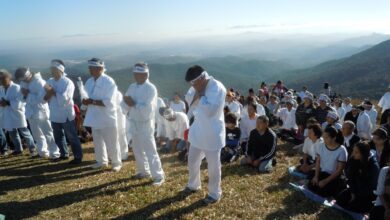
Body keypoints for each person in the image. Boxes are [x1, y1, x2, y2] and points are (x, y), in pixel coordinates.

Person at [182, 65, 226, 204]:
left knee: (213, 166)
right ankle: (193, 185)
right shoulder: (197, 87)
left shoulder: (216, 88)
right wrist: (198, 97)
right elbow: (189, 98)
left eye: (194, 83)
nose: (192, 86)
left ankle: (214, 193)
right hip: (198, 130)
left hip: (212, 133)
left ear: (202, 78)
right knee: (193, 160)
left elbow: (210, 111)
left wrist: (200, 98)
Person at [122, 62, 165, 185]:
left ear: (146, 75)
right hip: (134, 121)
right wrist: (125, 104)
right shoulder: (132, 86)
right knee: (137, 149)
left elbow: (148, 109)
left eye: (139, 74)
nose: (136, 77)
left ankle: (158, 175)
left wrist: (133, 104)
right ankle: (143, 171)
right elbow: (126, 101)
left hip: (146, 123)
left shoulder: (151, 88)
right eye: (135, 74)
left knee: (150, 149)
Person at [82, 58, 122, 171]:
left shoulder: (109, 81)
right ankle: (101, 161)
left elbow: (109, 102)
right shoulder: (89, 82)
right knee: (98, 141)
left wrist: (92, 101)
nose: (90, 70)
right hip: (94, 116)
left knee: (112, 142)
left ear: (100, 68)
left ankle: (116, 163)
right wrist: (84, 104)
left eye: (92, 68)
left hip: (107, 117)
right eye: (89, 68)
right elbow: (85, 96)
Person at [15, 67, 60, 159]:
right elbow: (20, 97)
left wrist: (28, 94)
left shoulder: (39, 82)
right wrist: (24, 95)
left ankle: (55, 153)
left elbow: (42, 99)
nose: (22, 81)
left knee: (48, 132)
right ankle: (42, 152)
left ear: (28, 75)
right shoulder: (23, 83)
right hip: (30, 112)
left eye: (23, 79)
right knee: (36, 134)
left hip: (41, 110)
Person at [45, 59, 83, 164]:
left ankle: (78, 156)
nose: (52, 71)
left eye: (54, 69)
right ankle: (64, 154)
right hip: (54, 113)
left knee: (71, 136)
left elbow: (65, 99)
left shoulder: (68, 82)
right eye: (51, 69)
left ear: (60, 70)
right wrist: (49, 93)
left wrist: (53, 92)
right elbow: (45, 97)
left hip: (65, 114)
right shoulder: (49, 81)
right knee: (58, 136)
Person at [0, 69, 37, 157]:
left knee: (25, 132)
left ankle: (32, 148)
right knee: (12, 133)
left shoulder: (16, 87)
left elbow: (21, 101)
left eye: (3, 79)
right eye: (0, 79)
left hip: (17, 113)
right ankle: (18, 149)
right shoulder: (1, 89)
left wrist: (8, 103)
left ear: (9, 78)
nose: (1, 81)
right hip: (7, 114)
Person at [336, 141, 379, 213]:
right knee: (340, 200)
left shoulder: (373, 166)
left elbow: (373, 186)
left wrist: (358, 194)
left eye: (356, 152)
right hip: (355, 189)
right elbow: (350, 177)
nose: (353, 154)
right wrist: (353, 192)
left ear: (363, 154)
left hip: (366, 194)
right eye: (353, 151)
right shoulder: (354, 159)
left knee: (353, 207)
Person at [307, 126, 347, 197]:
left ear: (334, 138)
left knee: (322, 192)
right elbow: (318, 161)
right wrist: (316, 176)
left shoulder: (341, 150)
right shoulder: (322, 145)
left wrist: (326, 181)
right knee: (311, 186)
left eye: (326, 137)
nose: (324, 139)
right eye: (323, 137)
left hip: (333, 176)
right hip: (323, 172)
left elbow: (339, 170)